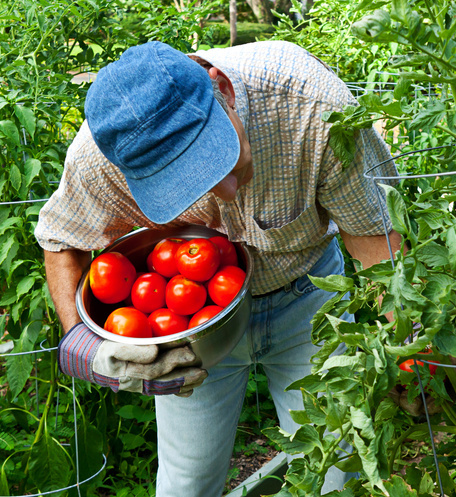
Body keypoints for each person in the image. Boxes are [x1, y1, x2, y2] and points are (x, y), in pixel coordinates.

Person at [35, 40, 401, 496]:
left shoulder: (312, 107)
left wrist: (406, 344)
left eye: (218, 159)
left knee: (333, 469)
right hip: (190, 335)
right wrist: (84, 347)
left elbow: (375, 239)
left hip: (309, 301)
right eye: (184, 184)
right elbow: (62, 240)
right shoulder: (100, 158)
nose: (225, 192)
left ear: (221, 88)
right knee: (187, 483)